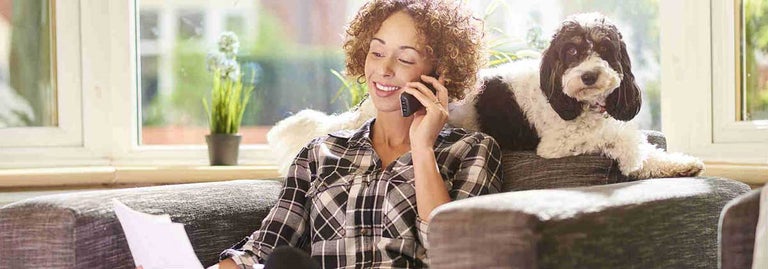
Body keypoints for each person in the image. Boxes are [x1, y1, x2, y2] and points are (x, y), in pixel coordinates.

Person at [214, 0, 501, 268]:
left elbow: (453, 253)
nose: (384, 69)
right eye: (376, 53)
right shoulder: (320, 152)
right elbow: (263, 249)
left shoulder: (472, 150)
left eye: (405, 59)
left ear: (440, 74)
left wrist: (423, 148)